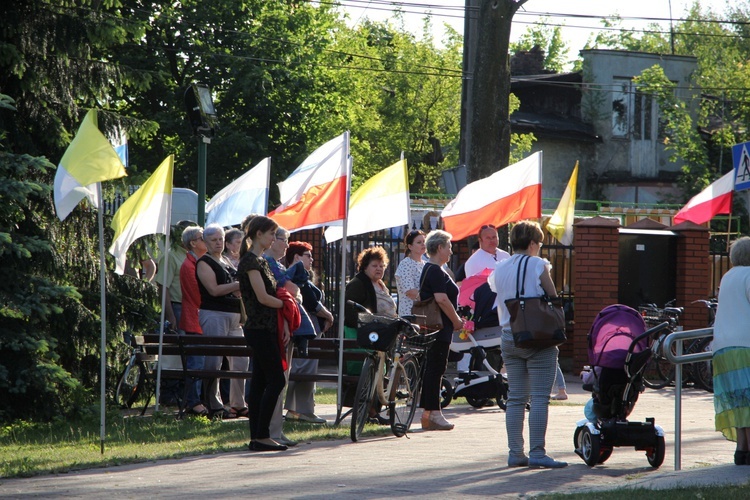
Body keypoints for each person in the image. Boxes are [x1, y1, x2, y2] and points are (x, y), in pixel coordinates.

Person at [489, 220, 567, 468]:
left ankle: (515, 453)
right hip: (537, 337)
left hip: (508, 336)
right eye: (540, 242)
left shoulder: (499, 268)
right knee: (540, 397)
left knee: (515, 398)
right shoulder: (538, 264)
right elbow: (552, 297)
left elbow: (497, 294)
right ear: (533, 243)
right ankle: (537, 453)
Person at [238, 215, 289, 452]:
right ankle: (262, 434)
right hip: (258, 328)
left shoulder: (261, 261)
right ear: (259, 234)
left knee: (259, 383)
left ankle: (258, 437)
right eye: (271, 234)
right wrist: (287, 306)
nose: (273, 238)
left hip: (266, 328)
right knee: (276, 380)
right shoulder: (250, 261)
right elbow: (262, 297)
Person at [196, 223, 247, 419]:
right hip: (214, 313)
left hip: (235, 316)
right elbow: (214, 290)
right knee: (214, 361)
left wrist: (237, 286)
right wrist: (237, 285)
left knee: (241, 360)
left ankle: (238, 403)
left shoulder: (226, 260)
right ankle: (213, 404)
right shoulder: (204, 262)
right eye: (214, 240)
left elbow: (235, 288)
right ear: (206, 242)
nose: (218, 243)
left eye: (220, 239)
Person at [344, 246, 397, 423]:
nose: (379, 269)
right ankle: (370, 412)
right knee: (374, 370)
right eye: (375, 265)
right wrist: (370, 324)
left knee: (384, 370)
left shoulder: (380, 284)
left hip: (382, 334)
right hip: (365, 337)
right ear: (365, 266)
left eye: (382, 265)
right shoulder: (358, 283)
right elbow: (350, 312)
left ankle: (374, 410)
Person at [283, 241, 333, 425]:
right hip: (305, 330)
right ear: (296, 257)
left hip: (309, 329)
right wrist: (328, 315)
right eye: (308, 255)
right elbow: (311, 302)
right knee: (304, 368)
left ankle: (300, 409)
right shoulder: (295, 276)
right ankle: (300, 411)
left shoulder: (299, 275)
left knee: (305, 367)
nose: (312, 259)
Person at [419, 229, 463, 431]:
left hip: (434, 326)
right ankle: (434, 413)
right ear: (439, 248)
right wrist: (456, 321)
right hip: (439, 326)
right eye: (449, 247)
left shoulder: (432, 269)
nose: (451, 252)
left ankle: (429, 414)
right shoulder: (435, 270)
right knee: (436, 369)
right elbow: (442, 299)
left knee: (433, 369)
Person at [712, 236, 750, 466]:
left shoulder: (727, 277)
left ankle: (742, 448)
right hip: (746, 344)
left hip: (723, 346)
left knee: (738, 399)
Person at [179, 225, 209, 416]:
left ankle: (198, 400)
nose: (205, 240)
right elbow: (197, 295)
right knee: (196, 364)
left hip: (199, 319)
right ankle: (193, 402)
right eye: (202, 237)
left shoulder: (198, 262)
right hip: (194, 320)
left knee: (201, 363)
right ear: (193, 243)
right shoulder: (189, 265)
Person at [394, 229, 426, 317]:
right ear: (410, 246)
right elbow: (411, 292)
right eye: (419, 242)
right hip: (409, 314)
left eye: (424, 241)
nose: (423, 244)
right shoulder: (406, 263)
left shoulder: (425, 264)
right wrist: (430, 299)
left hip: (424, 314)